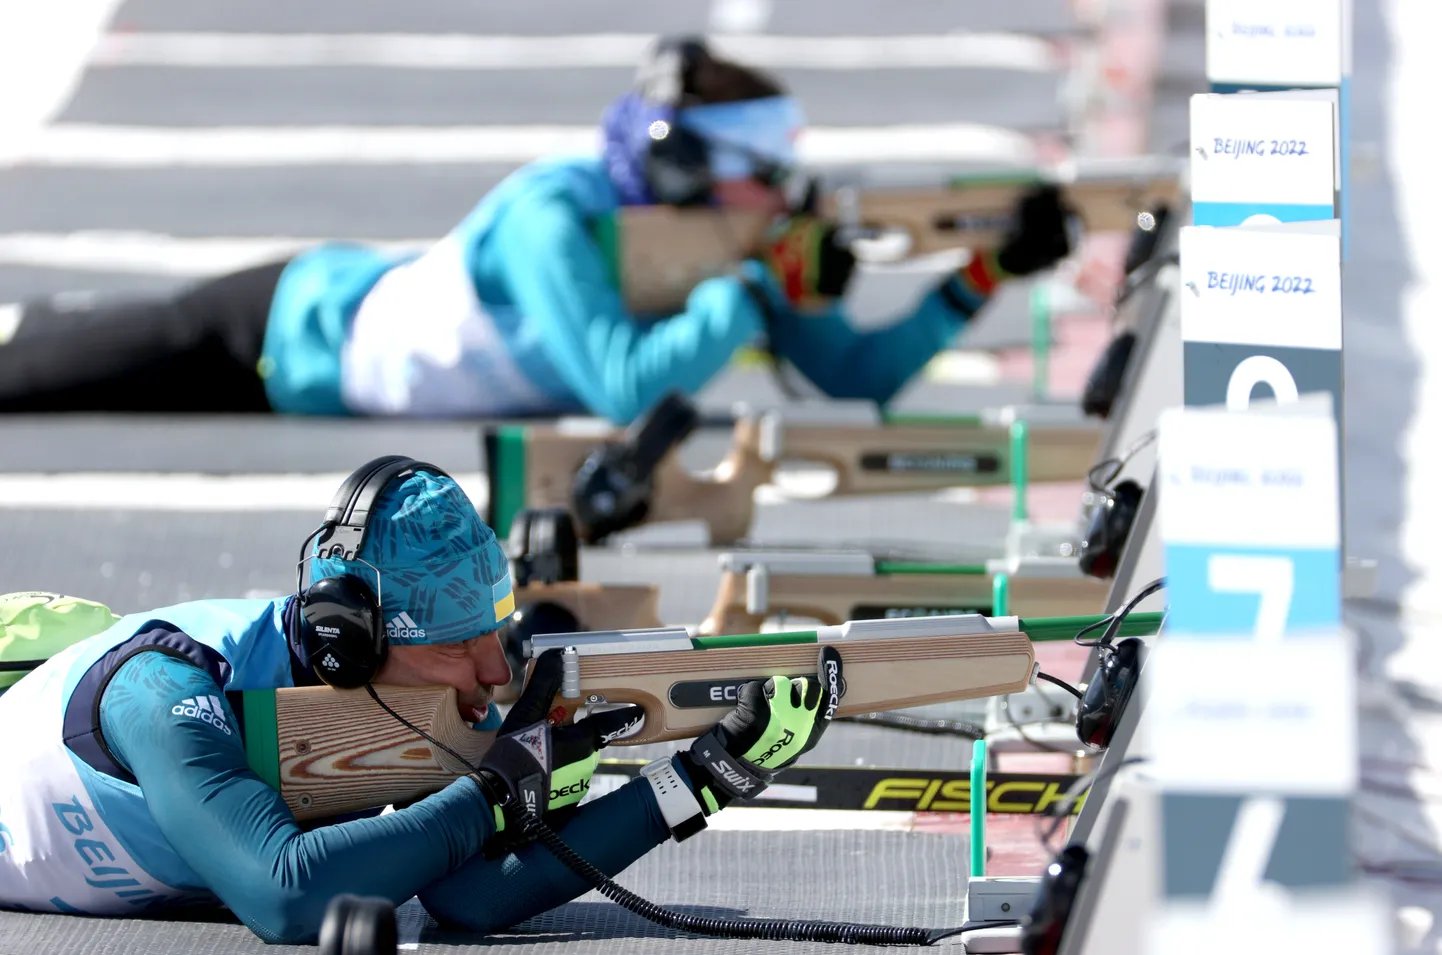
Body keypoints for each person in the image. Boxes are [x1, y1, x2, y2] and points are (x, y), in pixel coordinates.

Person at [0, 36, 1073, 424]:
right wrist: (743, 297)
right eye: (764, 170)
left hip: (317, 374)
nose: (785, 189)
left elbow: (852, 378)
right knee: (34, 374)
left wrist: (977, 277)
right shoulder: (550, 211)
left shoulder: (730, 243)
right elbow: (616, 384)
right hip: (287, 326)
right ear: (695, 170)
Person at [0, 455, 843, 941]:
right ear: (350, 638)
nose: (493, 675)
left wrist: (701, 778)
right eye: (455, 646)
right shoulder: (162, 688)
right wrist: (491, 795)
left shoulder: (373, 709)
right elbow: (284, 894)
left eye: (496, 636)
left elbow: (464, 897)